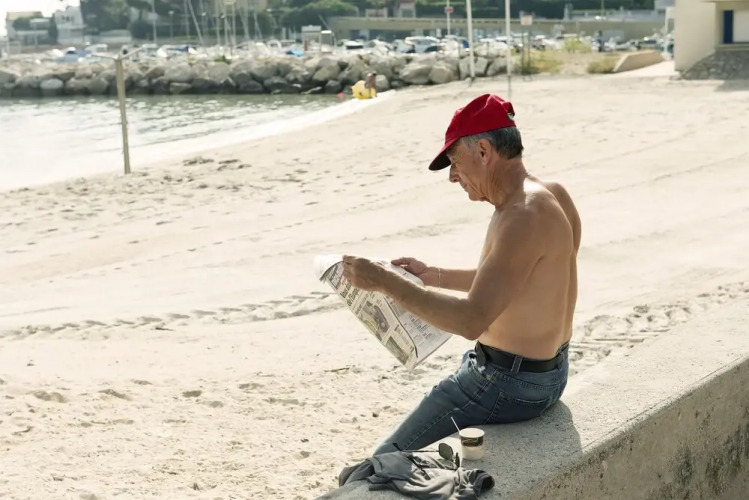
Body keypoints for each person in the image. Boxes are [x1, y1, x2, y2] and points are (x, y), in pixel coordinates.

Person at [341, 93, 581, 455]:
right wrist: (431, 275)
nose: (453, 177)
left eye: (455, 162)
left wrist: (384, 281)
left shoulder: (521, 215)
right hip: (551, 374)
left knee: (379, 464)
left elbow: (471, 320)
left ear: (483, 151)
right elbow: (511, 278)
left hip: (508, 384)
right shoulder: (552, 195)